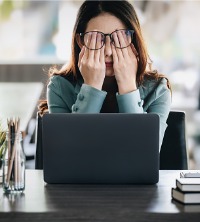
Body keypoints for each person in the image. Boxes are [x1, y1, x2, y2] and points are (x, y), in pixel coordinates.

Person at [39, 0, 171, 149]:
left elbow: (144, 151)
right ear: (81, 41)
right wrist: (91, 87)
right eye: (97, 39)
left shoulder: (157, 90)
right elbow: (69, 151)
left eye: (118, 38)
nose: (108, 51)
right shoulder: (60, 87)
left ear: (133, 41)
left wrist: (128, 85)